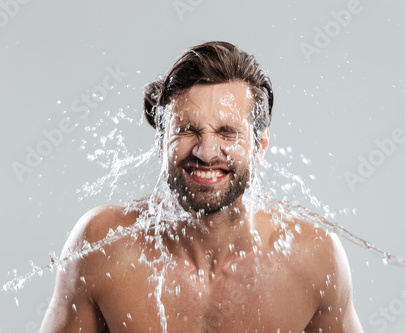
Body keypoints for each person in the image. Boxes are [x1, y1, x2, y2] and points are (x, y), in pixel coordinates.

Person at [40, 41, 363, 332]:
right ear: (160, 141)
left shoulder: (314, 257)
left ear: (260, 145)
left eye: (227, 132)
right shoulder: (102, 244)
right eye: (186, 130)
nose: (206, 152)